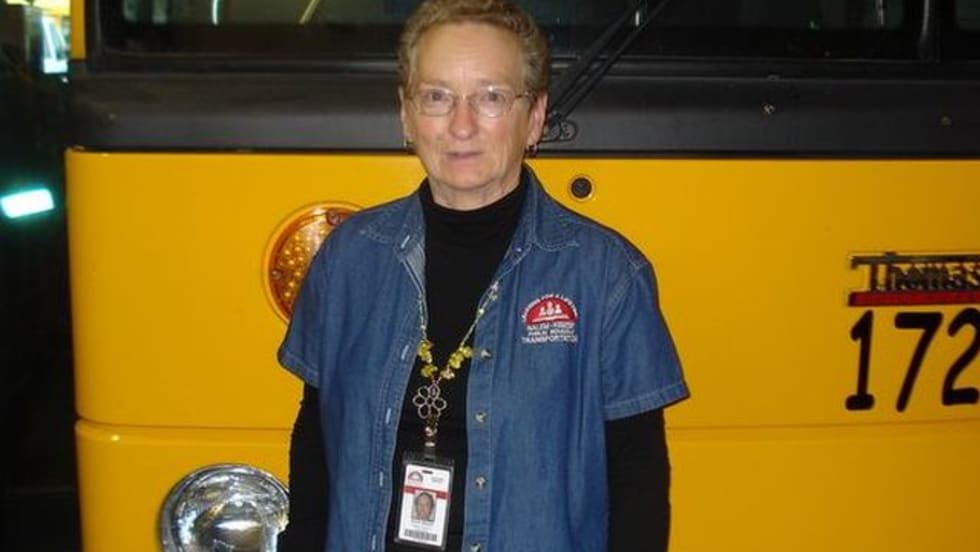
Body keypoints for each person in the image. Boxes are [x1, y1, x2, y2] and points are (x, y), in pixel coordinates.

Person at [276, 0, 689, 550]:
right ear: (406, 115)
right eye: (437, 97)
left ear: (534, 117)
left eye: (491, 97)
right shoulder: (348, 260)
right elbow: (314, 446)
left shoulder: (607, 276)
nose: (461, 124)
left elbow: (638, 483)